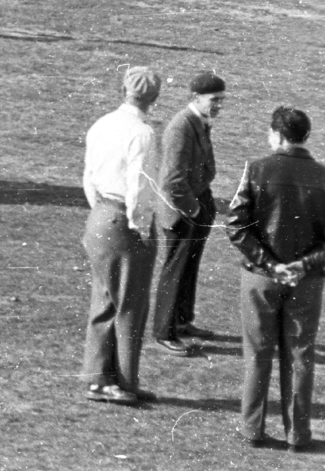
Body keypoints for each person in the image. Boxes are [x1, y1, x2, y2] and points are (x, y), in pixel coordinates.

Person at [225, 106, 325, 450]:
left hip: (260, 279)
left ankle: (252, 429)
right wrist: (304, 265)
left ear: (278, 136)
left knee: (258, 353)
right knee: (300, 355)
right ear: (305, 136)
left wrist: (269, 264)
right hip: (307, 282)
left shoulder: (256, 170)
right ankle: (297, 433)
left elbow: (236, 225)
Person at [79, 66, 163, 406]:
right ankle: (124, 381)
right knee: (130, 305)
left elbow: (88, 175)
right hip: (124, 222)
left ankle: (99, 378)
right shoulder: (142, 134)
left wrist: (100, 210)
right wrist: (140, 227)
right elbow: (139, 188)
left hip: (99, 216)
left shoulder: (102, 124)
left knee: (104, 300)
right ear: (154, 98)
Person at [151, 72, 226, 354]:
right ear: (196, 98)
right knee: (176, 270)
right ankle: (164, 332)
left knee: (189, 267)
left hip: (198, 204)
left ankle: (182, 320)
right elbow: (171, 182)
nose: (219, 105)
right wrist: (193, 209)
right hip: (182, 212)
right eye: (214, 100)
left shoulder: (199, 122)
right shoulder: (181, 127)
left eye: (222, 100)